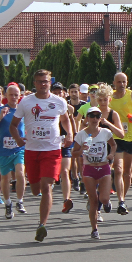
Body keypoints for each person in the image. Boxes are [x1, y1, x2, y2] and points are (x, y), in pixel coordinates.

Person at [11, 69, 72, 242]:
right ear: (35, 83)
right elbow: (13, 125)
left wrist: (69, 134)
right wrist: (18, 139)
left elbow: (65, 119)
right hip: (31, 150)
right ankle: (41, 218)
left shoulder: (59, 101)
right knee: (36, 189)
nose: (43, 84)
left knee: (47, 187)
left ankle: (42, 225)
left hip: (52, 150)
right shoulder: (26, 102)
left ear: (50, 82)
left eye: (45, 81)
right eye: (39, 81)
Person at [73, 106, 116, 239]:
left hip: (103, 167)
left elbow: (113, 145)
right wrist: (81, 151)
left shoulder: (105, 132)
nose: (95, 119)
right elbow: (73, 153)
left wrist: (111, 155)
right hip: (89, 168)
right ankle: (94, 229)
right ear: (87, 118)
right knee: (93, 201)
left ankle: (107, 202)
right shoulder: (81, 134)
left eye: (98, 116)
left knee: (103, 198)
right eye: (92, 116)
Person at [0, 84, 26, 216]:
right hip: (4, 150)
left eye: (16, 95)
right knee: (5, 178)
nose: (14, 97)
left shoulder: (23, 111)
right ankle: (8, 203)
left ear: (20, 96)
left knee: (20, 173)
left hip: (19, 148)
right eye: (11, 95)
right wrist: (0, 117)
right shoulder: (0, 110)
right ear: (6, 96)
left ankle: (20, 201)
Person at [109, 72, 132, 216]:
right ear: (114, 83)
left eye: (124, 82)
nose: (122, 84)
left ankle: (122, 198)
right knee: (118, 169)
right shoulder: (110, 98)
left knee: (128, 173)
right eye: (119, 82)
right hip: (115, 136)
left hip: (130, 136)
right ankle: (121, 199)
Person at [50, 83, 76, 214]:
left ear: (64, 94)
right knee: (51, 174)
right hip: (49, 143)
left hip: (64, 141)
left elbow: (71, 116)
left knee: (65, 171)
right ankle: (47, 196)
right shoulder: (47, 106)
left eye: (60, 92)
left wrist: (71, 135)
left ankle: (66, 199)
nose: (58, 94)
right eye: (55, 92)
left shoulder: (67, 107)